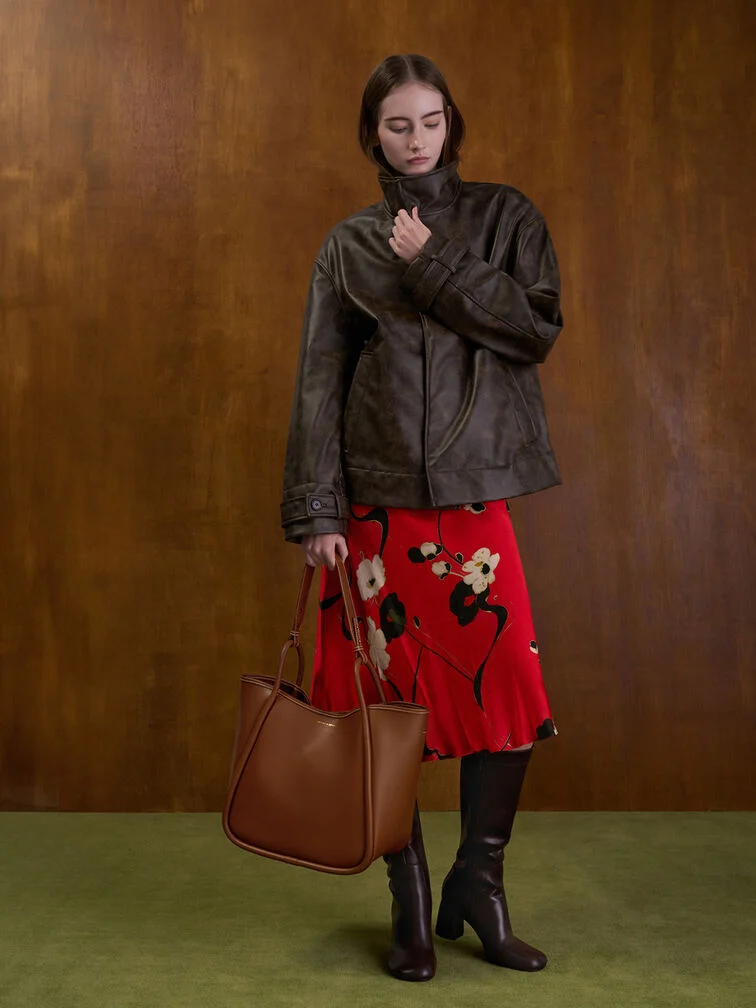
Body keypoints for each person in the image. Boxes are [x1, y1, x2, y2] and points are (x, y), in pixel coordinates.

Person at [280, 54, 563, 982]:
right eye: (398, 125)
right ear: (373, 135)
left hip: (475, 493)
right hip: (372, 504)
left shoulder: (505, 217)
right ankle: (405, 892)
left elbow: (533, 329)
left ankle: (477, 886)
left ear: (452, 123)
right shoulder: (346, 243)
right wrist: (318, 506)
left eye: (431, 121)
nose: (416, 139)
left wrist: (432, 260)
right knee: (383, 706)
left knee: (505, 693)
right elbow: (320, 381)